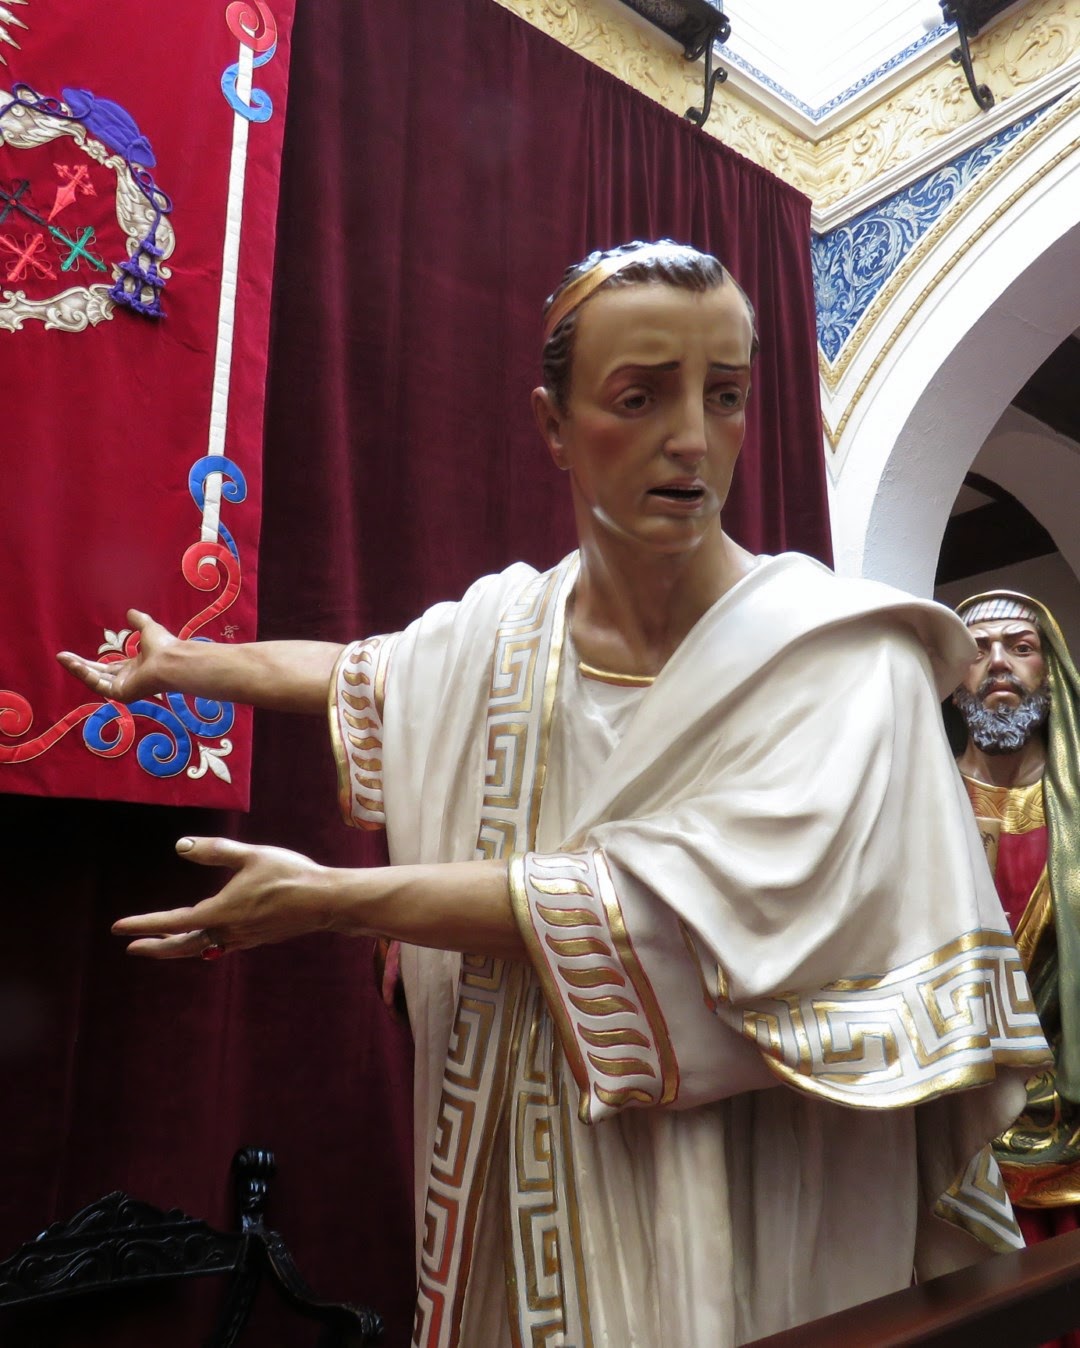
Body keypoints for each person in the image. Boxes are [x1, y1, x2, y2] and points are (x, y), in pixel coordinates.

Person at [60, 241, 1048, 1348]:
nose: (692, 439)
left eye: (724, 395)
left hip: (754, 1186)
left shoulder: (843, 659)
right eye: (640, 397)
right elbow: (372, 676)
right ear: (553, 427)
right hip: (525, 1160)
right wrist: (184, 664)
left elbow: (664, 907)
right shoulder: (510, 630)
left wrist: (333, 898)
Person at [952, 592, 1080, 1264]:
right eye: (978, 650)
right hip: (959, 1122)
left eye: (1020, 647)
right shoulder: (923, 803)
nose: (998, 662)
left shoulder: (1075, 809)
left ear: (1048, 672)